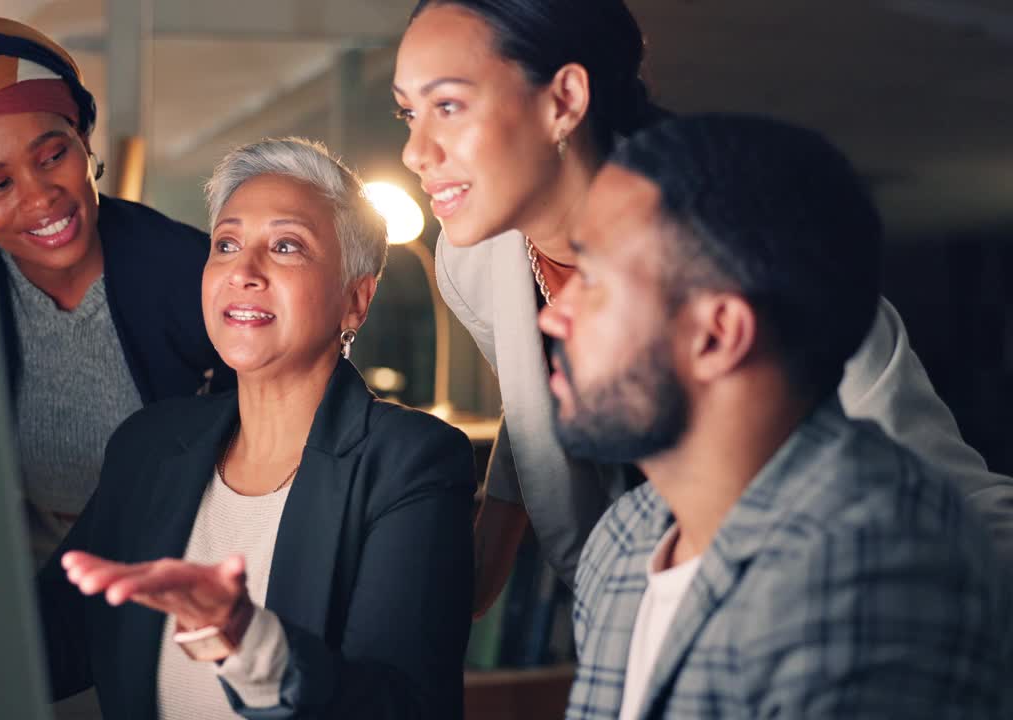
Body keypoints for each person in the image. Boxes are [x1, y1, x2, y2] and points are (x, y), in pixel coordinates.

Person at [392, 0, 1013, 610]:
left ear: (564, 102)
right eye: (408, 114)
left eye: (447, 106)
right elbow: (536, 401)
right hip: (634, 600)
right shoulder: (468, 261)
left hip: (794, 600)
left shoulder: (730, 235)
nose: (416, 153)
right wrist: (479, 569)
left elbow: (940, 488)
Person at [542, 113, 1012, 719]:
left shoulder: (874, 561)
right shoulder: (624, 540)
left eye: (595, 282)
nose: (554, 316)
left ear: (719, 334)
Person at [38, 138, 476, 719]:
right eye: (226, 244)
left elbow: (404, 709)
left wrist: (249, 640)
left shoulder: (410, 463)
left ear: (355, 300)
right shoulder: (148, 446)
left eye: (287, 246)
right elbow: (46, 647)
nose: (243, 271)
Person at [0, 18, 231, 567]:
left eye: (53, 156)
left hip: (181, 560)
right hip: (23, 576)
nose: (41, 199)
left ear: (82, 141)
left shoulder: (192, 273)